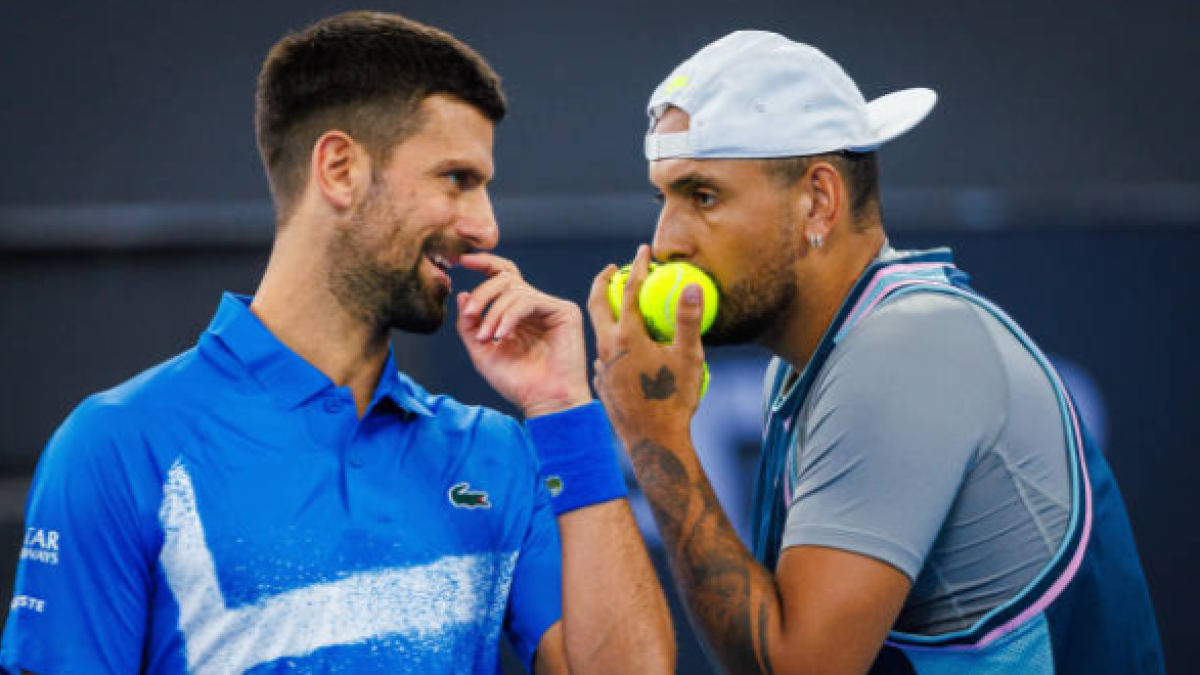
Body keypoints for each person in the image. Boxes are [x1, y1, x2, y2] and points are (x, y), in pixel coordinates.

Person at [0, 11, 674, 675]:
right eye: (457, 179)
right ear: (340, 168)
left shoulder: (495, 453)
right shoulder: (117, 445)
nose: (485, 227)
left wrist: (562, 407)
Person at [587, 30, 1163, 675]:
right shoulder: (817, 359)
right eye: (662, 198)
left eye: (703, 196)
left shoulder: (908, 348)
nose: (665, 242)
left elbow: (799, 668)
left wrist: (655, 434)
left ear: (819, 200)